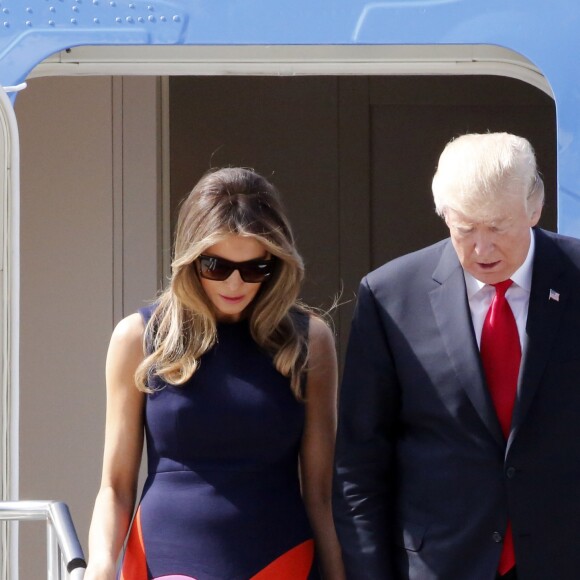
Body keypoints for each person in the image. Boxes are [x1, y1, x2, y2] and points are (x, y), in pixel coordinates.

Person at [333, 132, 580, 580]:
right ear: (444, 215)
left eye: (499, 227)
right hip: (442, 562)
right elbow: (360, 463)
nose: (482, 249)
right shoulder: (391, 297)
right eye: (465, 229)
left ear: (535, 207)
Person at [85, 167, 346, 580]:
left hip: (281, 557)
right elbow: (115, 486)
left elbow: (320, 494)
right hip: (167, 558)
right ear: (190, 260)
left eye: (255, 268)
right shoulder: (138, 338)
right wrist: (99, 566)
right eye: (216, 266)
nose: (236, 283)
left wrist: (337, 574)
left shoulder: (308, 340)